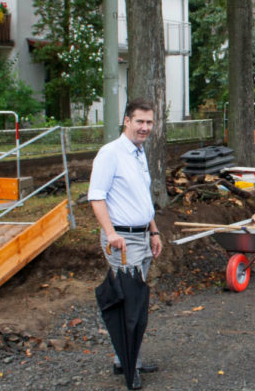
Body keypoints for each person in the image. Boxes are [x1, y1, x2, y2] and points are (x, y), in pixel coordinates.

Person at [88, 98, 162, 390]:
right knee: (130, 304)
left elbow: (144, 198)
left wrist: (154, 231)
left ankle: (127, 360)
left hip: (143, 236)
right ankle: (130, 366)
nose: (145, 127)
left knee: (137, 302)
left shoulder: (139, 153)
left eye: (149, 122)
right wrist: (110, 233)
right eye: (139, 121)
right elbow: (96, 196)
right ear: (127, 121)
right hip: (121, 240)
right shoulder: (111, 154)